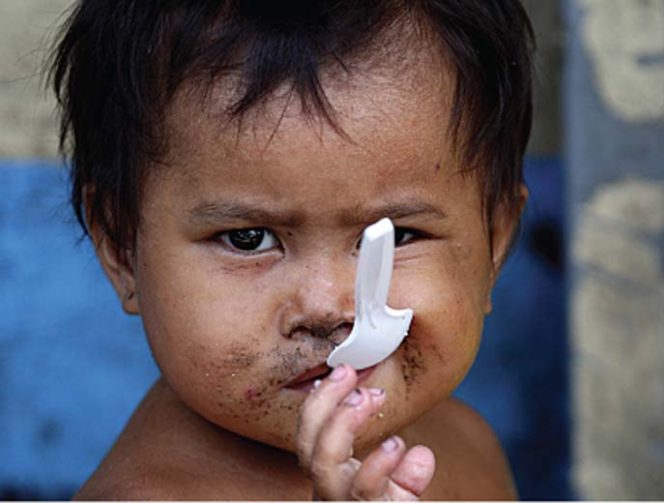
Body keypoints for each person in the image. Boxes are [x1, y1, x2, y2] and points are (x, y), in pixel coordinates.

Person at [50, 0, 533, 499]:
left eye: (397, 237)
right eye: (248, 239)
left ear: (495, 242)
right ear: (123, 247)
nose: (324, 308)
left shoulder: (463, 439)